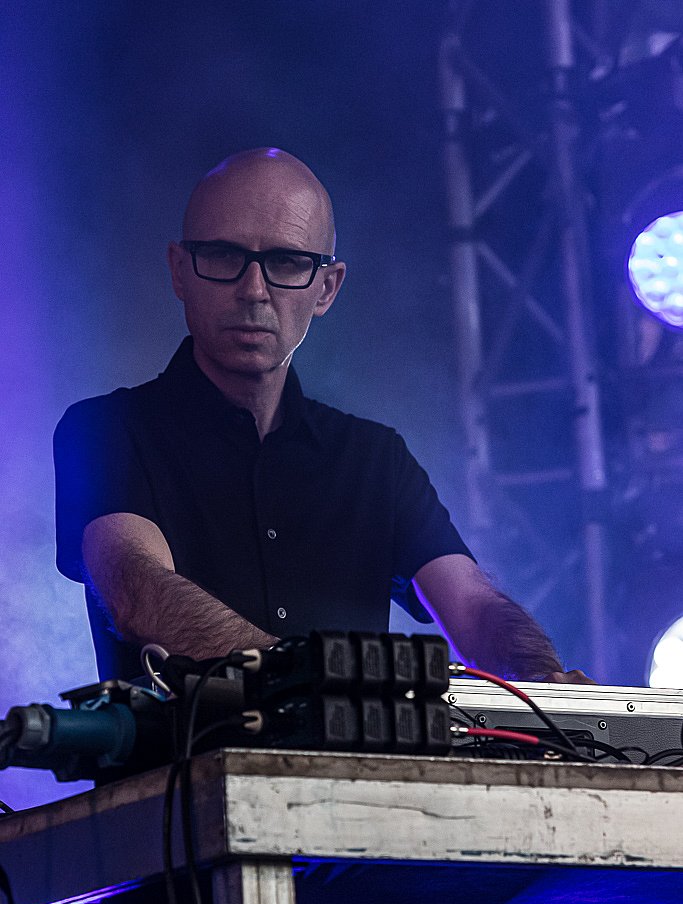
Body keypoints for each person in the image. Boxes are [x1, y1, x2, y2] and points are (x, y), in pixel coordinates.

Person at [54, 148, 586, 685]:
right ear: (179, 271)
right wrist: (320, 688)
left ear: (326, 288)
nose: (253, 291)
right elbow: (138, 590)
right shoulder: (104, 431)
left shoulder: (377, 460)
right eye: (222, 256)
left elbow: (472, 605)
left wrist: (549, 685)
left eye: (287, 263)